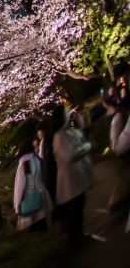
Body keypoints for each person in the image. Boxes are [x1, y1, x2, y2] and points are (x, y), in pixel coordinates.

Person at [53, 104, 93, 244]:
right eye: (66, 112)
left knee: (79, 207)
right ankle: (75, 238)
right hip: (71, 179)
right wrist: (84, 148)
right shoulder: (59, 136)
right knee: (75, 209)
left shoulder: (67, 132)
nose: (68, 113)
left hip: (77, 177)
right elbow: (68, 156)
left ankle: (78, 235)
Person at [13, 139, 52, 230]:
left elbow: (20, 186)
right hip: (42, 194)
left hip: (30, 198)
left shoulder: (25, 164)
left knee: (35, 226)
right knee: (44, 224)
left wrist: (17, 205)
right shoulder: (37, 159)